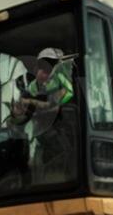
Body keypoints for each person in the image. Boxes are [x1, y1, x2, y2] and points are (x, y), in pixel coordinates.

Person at [9, 49, 76, 185]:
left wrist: (29, 102)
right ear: (36, 69)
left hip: (62, 140)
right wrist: (16, 113)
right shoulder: (31, 89)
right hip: (40, 141)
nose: (46, 72)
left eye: (50, 68)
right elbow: (21, 118)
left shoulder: (65, 85)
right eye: (43, 68)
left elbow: (51, 104)